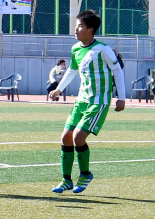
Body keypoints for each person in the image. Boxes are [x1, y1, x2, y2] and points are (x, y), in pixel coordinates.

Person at [49, 10, 126, 194]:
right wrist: (59, 88)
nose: (76, 30)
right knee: (65, 137)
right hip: (81, 100)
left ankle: (85, 174)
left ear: (90, 30)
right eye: (76, 26)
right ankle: (66, 180)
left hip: (98, 102)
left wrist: (121, 97)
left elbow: (118, 72)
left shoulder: (103, 49)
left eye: (80, 26)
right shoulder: (76, 49)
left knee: (77, 137)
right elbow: (72, 71)